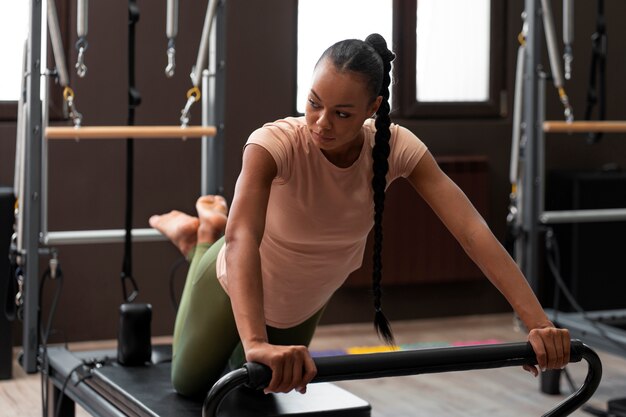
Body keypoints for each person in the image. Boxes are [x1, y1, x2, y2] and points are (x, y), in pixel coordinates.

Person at [149, 34, 570, 398]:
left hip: (303, 303)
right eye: (313, 103)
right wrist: (256, 341)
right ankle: (201, 237)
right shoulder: (272, 144)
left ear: (373, 108)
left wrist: (538, 325)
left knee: (254, 395)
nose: (321, 123)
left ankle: (205, 235)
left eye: (342, 113)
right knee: (189, 384)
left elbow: (472, 231)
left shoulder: (396, 146)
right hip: (233, 279)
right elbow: (243, 239)